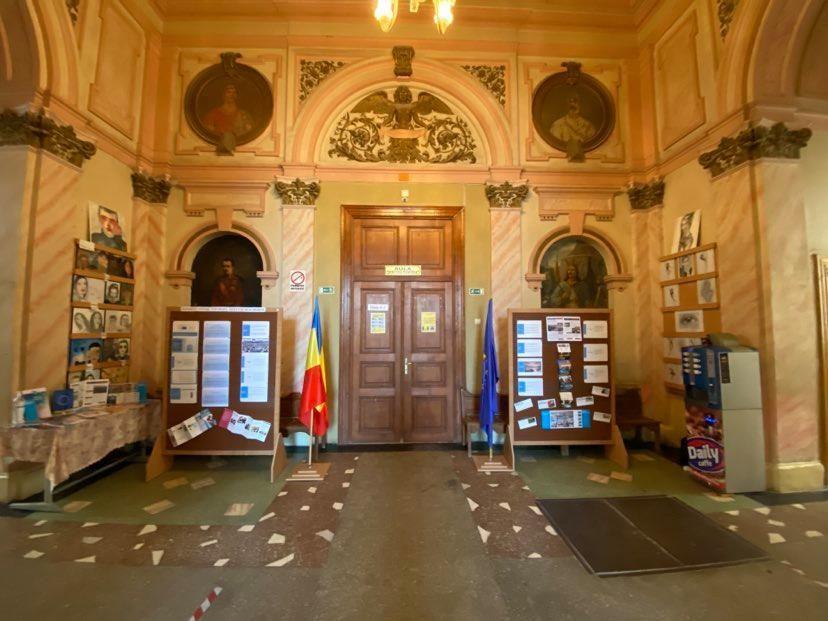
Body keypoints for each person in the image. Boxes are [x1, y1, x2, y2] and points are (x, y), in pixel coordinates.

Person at [550, 94, 596, 160]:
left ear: (581, 106)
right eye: (570, 102)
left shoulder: (588, 125)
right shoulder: (558, 124)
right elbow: (556, 142)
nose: (573, 104)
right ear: (565, 107)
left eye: (576, 102)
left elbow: (591, 141)